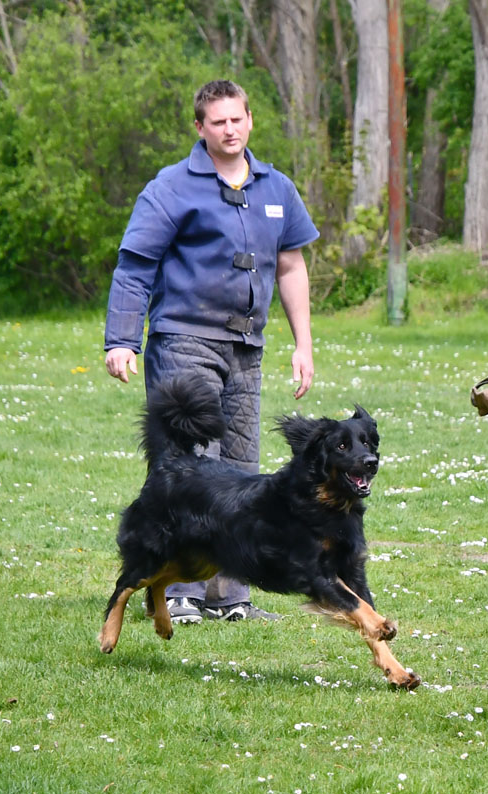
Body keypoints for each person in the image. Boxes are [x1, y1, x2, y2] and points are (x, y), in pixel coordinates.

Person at [104, 79, 318, 624]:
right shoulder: (172, 186)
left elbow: (291, 267)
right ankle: (178, 591)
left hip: (246, 347)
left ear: (250, 120)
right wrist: (123, 340)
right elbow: (134, 266)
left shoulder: (276, 188)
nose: (229, 130)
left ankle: (231, 597)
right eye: (217, 122)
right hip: (183, 340)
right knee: (190, 470)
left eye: (237, 119)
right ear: (200, 127)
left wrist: (303, 344)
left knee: (243, 471)